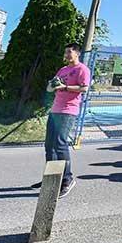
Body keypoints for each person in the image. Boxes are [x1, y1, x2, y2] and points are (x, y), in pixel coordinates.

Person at [32, 43, 90, 198]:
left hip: (68, 111)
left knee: (60, 143)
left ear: (77, 54)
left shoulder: (82, 69)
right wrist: (51, 85)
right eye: (65, 52)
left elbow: (84, 88)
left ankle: (67, 179)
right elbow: (52, 85)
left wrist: (65, 87)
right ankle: (51, 179)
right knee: (49, 145)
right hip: (55, 110)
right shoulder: (63, 69)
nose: (66, 55)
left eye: (69, 52)